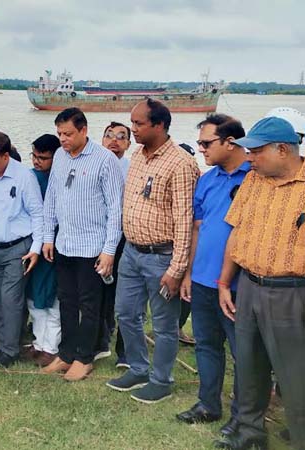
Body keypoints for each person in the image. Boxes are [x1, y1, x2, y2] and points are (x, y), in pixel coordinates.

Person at [214, 117, 305, 450]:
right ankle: (250, 433)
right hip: (249, 286)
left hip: (292, 294)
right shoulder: (254, 181)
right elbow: (236, 232)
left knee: (295, 374)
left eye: (255, 150)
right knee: (249, 367)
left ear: (282, 149)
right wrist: (225, 282)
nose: (249, 157)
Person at [107, 98, 199, 404]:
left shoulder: (181, 164)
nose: (131, 130)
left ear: (159, 125)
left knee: (163, 324)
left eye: (138, 124)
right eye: (131, 123)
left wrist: (176, 269)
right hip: (132, 252)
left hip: (162, 256)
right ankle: (137, 368)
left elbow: (185, 221)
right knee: (126, 313)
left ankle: (161, 380)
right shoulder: (138, 155)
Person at [175, 114, 247, 438]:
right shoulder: (207, 180)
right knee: (206, 345)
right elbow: (197, 228)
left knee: (243, 352)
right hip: (203, 280)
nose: (201, 149)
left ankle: (243, 416)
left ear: (230, 142)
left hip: (238, 285)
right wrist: (189, 273)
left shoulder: (254, 179)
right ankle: (207, 404)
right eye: (200, 143)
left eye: (206, 143)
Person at [40, 108, 123, 382]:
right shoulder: (61, 157)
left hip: (93, 247)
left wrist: (109, 249)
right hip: (64, 243)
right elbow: (51, 197)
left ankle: (84, 357)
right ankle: (66, 353)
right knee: (66, 300)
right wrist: (48, 237)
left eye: (68, 134)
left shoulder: (105, 160)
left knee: (89, 305)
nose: (63, 139)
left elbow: (115, 208)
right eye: (60, 133)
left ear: (84, 130)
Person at [0, 131, 44, 367]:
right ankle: (1, 345)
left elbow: (38, 214)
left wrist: (35, 249)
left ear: (5, 156)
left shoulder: (24, 176)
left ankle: (10, 350)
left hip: (18, 249)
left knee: (10, 299)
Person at [25, 134, 61, 367]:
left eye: (43, 158)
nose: (37, 161)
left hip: (56, 246)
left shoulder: (61, 179)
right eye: (34, 156)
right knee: (33, 296)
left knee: (53, 298)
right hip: (33, 245)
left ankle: (51, 347)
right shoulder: (29, 177)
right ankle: (39, 342)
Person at [97, 121, 132, 368]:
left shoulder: (132, 169)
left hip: (126, 240)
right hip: (98, 239)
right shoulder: (95, 164)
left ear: (128, 144)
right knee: (99, 295)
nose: (114, 140)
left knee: (127, 299)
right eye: (109, 135)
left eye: (121, 136)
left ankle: (126, 352)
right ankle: (100, 341)